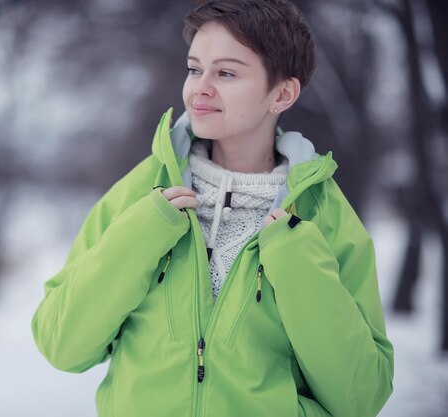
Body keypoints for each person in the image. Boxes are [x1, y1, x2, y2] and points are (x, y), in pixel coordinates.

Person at [31, 0, 395, 416]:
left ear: (282, 93)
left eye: (225, 72)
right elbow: (61, 345)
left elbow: (361, 398)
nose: (200, 87)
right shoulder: (144, 193)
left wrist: (297, 262)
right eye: (194, 68)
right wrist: (144, 234)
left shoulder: (320, 215)